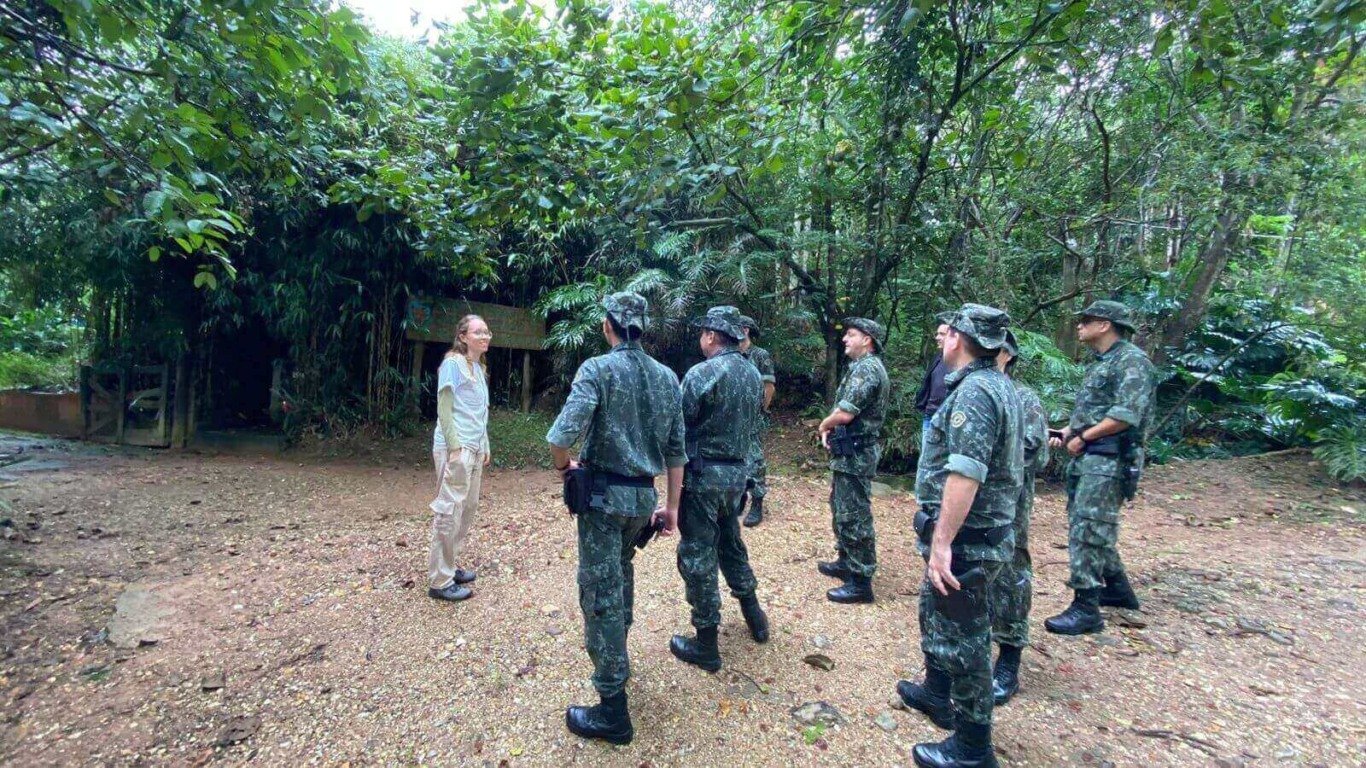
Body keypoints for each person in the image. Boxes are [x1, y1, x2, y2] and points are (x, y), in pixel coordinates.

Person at [545, 292, 687, 745]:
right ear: (641, 328)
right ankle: (617, 657)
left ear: (608, 326)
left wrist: (563, 466)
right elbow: (676, 452)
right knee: (620, 576)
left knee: (600, 591)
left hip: (604, 502)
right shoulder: (667, 378)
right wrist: (672, 508)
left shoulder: (597, 369)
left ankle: (612, 710)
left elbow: (563, 432)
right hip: (643, 502)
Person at [897, 304, 1022, 768]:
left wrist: (943, 543)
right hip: (975, 532)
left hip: (971, 538)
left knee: (967, 638)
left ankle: (973, 746)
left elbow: (965, 473)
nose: (940, 338)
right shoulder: (995, 385)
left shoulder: (976, 393)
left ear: (961, 340)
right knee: (938, 615)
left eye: (947, 332)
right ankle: (936, 692)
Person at [670, 306, 770, 672]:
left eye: (702, 333)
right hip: (736, 478)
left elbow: (679, 426)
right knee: (731, 544)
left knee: (698, 556)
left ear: (712, 335)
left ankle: (706, 642)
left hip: (703, 479)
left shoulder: (702, 374)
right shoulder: (753, 373)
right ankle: (754, 615)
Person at [1045, 300, 1154, 635]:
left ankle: (1086, 607)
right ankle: (1118, 590)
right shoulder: (1105, 362)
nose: (1079, 325)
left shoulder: (1132, 361)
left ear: (1105, 324)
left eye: (1086, 320)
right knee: (1090, 524)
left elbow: (1125, 415)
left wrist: (1085, 438)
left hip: (1109, 459)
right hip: (1092, 457)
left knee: (1089, 529)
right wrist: (1069, 431)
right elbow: (1098, 410)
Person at [988, 330, 1049, 706]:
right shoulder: (975, 391)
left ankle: (1009, 656)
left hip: (1008, 506)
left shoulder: (1024, 398)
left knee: (1010, 575)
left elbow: (1034, 453)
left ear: (1008, 355)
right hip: (971, 508)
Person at [816, 317, 890, 604]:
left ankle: (861, 581)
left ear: (867, 339)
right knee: (841, 507)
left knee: (854, 515)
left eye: (851, 334)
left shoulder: (868, 369)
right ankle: (846, 561)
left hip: (857, 454)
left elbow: (846, 413)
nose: (845, 339)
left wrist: (825, 424)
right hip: (849, 452)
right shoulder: (860, 368)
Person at [427, 314, 492, 603]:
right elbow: (444, 405)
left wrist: (484, 443)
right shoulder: (452, 363)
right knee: (449, 510)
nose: (485, 336)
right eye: (478, 332)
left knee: (468, 508)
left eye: (487, 332)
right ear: (463, 336)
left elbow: (479, 411)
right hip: (456, 448)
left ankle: (450, 566)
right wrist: (454, 447)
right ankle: (440, 580)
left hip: (474, 447)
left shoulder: (478, 367)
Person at [737, 315, 776, 527]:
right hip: (733, 418)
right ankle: (739, 494)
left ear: (745, 330)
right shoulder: (731, 353)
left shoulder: (760, 355)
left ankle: (757, 500)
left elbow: (768, 387)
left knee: (755, 460)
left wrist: (761, 410)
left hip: (753, 418)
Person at [914, 312, 954, 433]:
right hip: (929, 415)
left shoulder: (959, 362)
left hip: (947, 419)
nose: (937, 337)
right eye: (937, 334)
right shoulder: (937, 358)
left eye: (942, 334)